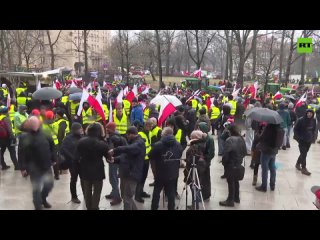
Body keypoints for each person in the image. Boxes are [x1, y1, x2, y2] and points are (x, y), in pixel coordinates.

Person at [19, 116, 56, 210]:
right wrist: (22, 168)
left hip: (46, 165)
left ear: (39, 124)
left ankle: (43, 198)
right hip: (33, 167)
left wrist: (54, 158)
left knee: (49, 185)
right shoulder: (24, 137)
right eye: (32, 124)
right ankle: (37, 205)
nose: (34, 125)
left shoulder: (46, 134)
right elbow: (21, 153)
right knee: (36, 188)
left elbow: (52, 147)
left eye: (36, 123)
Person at [110, 126, 145, 210]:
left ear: (132, 134)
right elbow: (125, 156)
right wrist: (115, 159)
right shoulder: (132, 142)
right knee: (125, 196)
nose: (127, 137)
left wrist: (115, 150)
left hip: (132, 174)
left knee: (127, 197)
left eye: (128, 135)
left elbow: (129, 149)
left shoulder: (139, 143)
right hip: (126, 172)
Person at [75, 123, 109, 210]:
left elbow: (76, 156)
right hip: (98, 170)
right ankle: (95, 207)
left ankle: (88, 207)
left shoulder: (81, 142)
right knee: (97, 191)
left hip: (85, 169)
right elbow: (108, 157)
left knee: (87, 190)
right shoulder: (102, 144)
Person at [149, 127, 183, 210]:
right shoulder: (178, 144)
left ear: (164, 134)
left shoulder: (158, 144)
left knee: (156, 192)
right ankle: (171, 208)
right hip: (172, 173)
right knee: (171, 192)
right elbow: (179, 155)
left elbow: (150, 156)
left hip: (160, 172)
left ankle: (154, 207)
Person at [219, 125, 246, 207]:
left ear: (229, 131)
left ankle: (230, 200)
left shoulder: (229, 140)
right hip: (238, 163)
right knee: (236, 180)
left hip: (231, 163)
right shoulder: (241, 139)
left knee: (230, 182)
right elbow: (244, 152)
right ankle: (236, 197)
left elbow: (226, 153)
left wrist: (224, 162)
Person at [60, 122, 83, 204]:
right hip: (72, 163)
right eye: (80, 128)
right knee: (74, 179)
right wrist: (73, 157)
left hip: (81, 162)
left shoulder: (82, 137)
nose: (81, 130)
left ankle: (85, 194)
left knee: (83, 179)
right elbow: (63, 149)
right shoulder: (68, 138)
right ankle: (74, 196)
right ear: (75, 130)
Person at [104, 122, 127, 206]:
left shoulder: (113, 138)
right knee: (114, 178)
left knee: (113, 178)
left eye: (108, 128)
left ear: (112, 129)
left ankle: (117, 197)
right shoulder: (119, 136)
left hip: (114, 161)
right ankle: (113, 193)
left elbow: (110, 150)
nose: (106, 130)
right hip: (120, 159)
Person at [184, 130, 207, 210]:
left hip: (194, 169)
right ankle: (195, 205)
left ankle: (195, 206)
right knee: (197, 187)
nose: (190, 138)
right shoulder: (202, 144)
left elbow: (190, 160)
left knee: (194, 188)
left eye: (191, 137)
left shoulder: (194, 147)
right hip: (200, 169)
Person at [255, 124, 281, 192]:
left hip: (266, 151)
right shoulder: (279, 128)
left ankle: (264, 186)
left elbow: (261, 138)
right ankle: (272, 185)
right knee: (272, 167)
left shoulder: (268, 128)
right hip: (274, 151)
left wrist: (257, 134)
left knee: (265, 169)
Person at [294, 109, 317, 176]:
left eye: (311, 113)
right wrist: (299, 137)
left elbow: (313, 130)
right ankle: (304, 168)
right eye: (308, 113)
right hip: (302, 140)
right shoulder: (301, 120)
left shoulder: (313, 120)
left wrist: (313, 138)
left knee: (304, 153)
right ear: (306, 113)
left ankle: (298, 163)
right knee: (304, 154)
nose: (309, 114)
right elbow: (295, 129)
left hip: (309, 140)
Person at [135, 119, 153, 203]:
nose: (150, 128)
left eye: (151, 126)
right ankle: (137, 195)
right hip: (141, 160)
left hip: (146, 159)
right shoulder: (140, 134)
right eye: (149, 126)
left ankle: (141, 191)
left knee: (144, 177)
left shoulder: (149, 133)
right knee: (140, 177)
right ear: (146, 125)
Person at [197, 122, 215, 200]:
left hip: (205, 162)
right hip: (200, 161)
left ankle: (205, 195)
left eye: (199, 128)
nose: (197, 130)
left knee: (205, 179)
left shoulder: (209, 139)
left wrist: (205, 158)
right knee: (202, 178)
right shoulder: (200, 137)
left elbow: (211, 153)